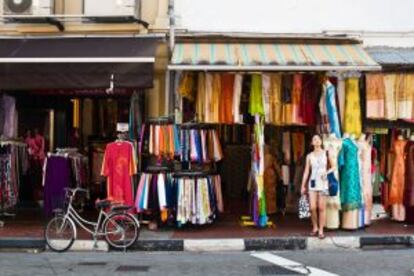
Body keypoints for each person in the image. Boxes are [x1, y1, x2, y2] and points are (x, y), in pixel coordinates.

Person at [301, 134, 335, 239]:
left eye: (318, 139)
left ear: (321, 141)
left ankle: (321, 230)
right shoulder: (309, 156)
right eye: (314, 139)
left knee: (321, 208)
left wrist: (327, 173)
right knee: (312, 207)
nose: (316, 141)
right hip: (312, 183)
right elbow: (306, 171)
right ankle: (315, 227)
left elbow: (334, 167)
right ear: (312, 142)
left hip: (324, 184)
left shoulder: (326, 153)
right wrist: (303, 185)